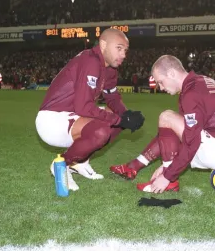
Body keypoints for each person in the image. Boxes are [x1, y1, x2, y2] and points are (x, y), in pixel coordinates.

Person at [35, 29, 145, 191]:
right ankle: (62, 164)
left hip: (73, 116)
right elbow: (83, 106)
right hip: (52, 119)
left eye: (125, 50)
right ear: (103, 44)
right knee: (102, 130)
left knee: (115, 119)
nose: (123, 55)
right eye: (119, 48)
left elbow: (112, 96)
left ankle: (80, 162)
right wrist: (120, 120)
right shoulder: (90, 61)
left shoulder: (110, 69)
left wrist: (126, 115)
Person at [110, 55, 215, 193]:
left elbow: (191, 141)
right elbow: (176, 133)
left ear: (171, 73)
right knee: (169, 123)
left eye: (161, 82)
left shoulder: (191, 94)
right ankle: (134, 166)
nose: (160, 87)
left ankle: (169, 182)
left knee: (167, 117)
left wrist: (168, 175)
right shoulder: (201, 81)